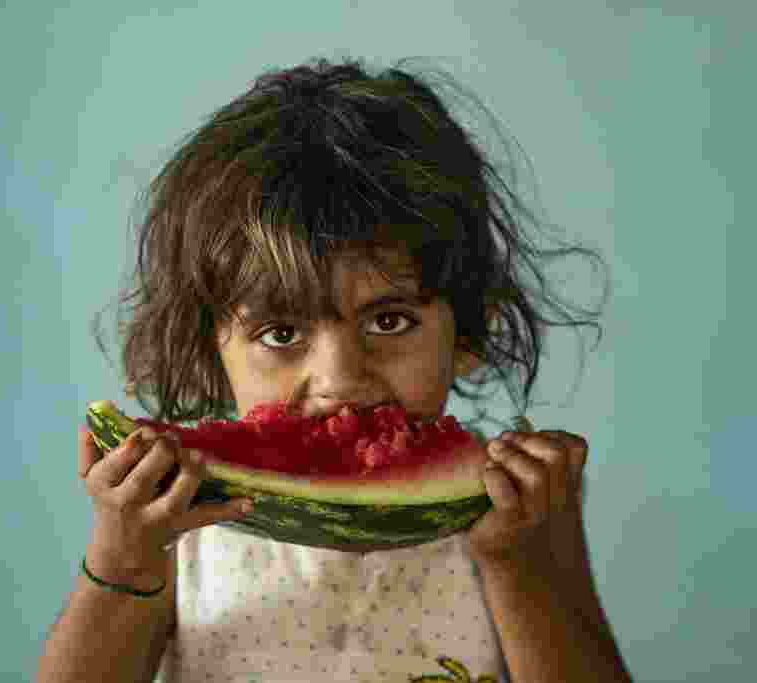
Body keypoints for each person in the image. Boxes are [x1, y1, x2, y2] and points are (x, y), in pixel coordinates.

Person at [37, 55, 632, 683]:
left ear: (468, 327)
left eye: (389, 321)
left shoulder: (515, 513)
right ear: (211, 345)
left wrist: (526, 568)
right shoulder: (180, 519)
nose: (341, 380)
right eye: (282, 333)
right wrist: (122, 564)